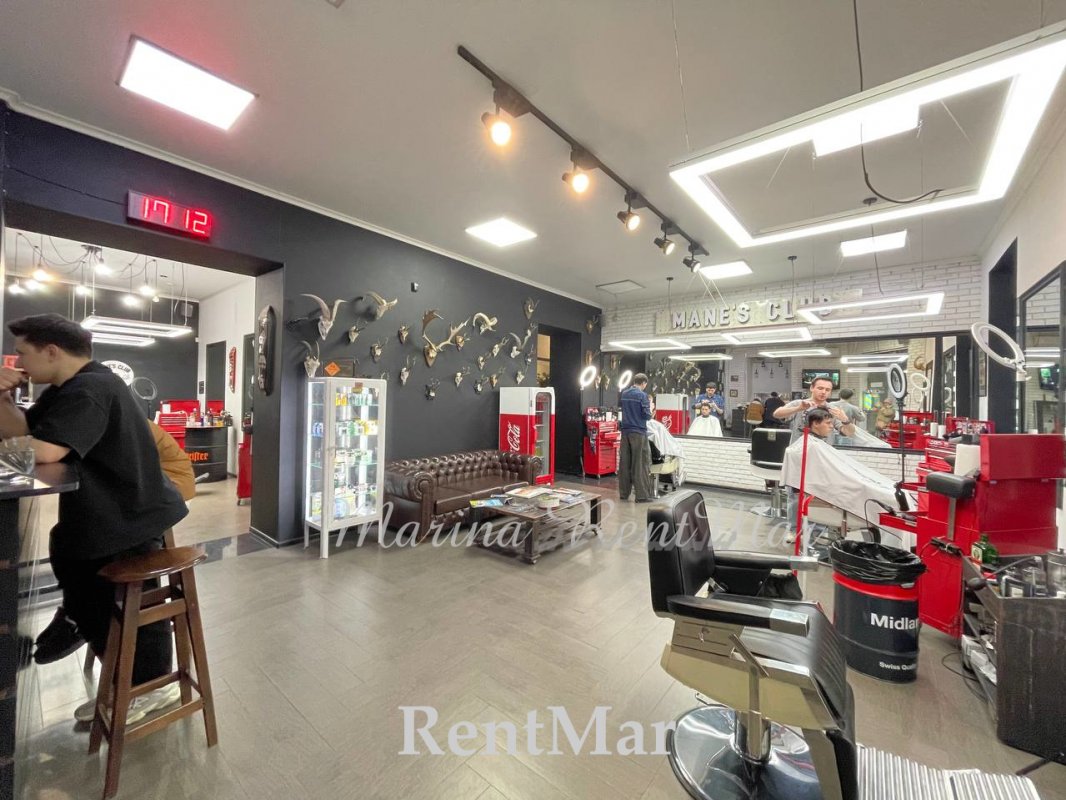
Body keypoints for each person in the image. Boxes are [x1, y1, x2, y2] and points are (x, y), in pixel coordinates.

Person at [0, 314, 189, 723]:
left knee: (106, 586)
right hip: (116, 507)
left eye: (23, 353)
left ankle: (152, 687)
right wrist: (2, 398)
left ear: (52, 351)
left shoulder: (92, 388)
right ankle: (78, 619)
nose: (18, 363)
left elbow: (45, 451)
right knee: (67, 549)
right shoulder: (67, 388)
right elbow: (22, 433)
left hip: (132, 513)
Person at [772, 376, 855, 444]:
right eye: (820, 388)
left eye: (827, 390)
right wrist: (798, 408)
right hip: (800, 452)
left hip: (823, 453)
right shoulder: (799, 404)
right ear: (812, 388)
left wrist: (845, 420)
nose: (823, 392)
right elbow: (776, 414)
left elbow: (849, 433)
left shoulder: (833, 410)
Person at [619, 373, 654, 502]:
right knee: (640, 464)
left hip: (625, 432)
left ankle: (624, 494)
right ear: (644, 383)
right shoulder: (642, 396)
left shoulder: (624, 394)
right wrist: (651, 409)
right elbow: (646, 416)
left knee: (624, 464)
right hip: (638, 432)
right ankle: (642, 496)